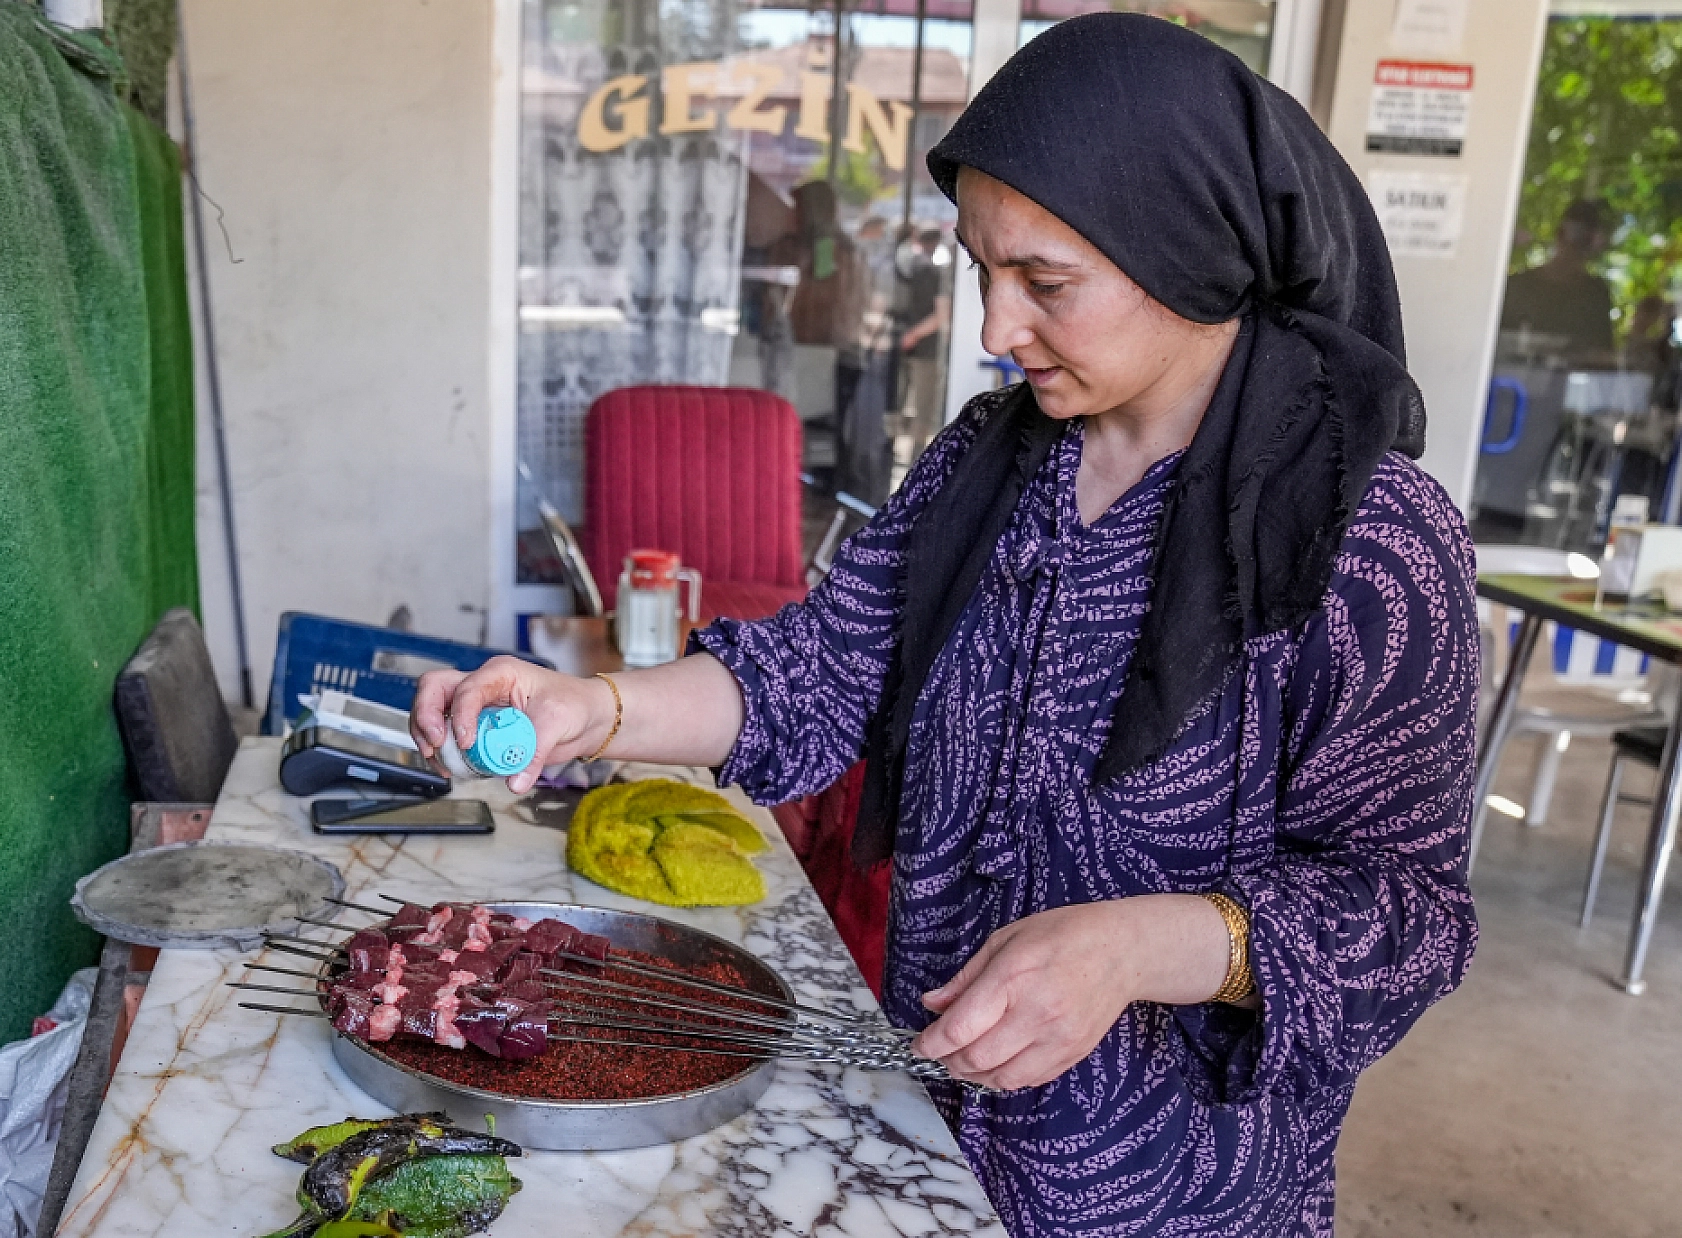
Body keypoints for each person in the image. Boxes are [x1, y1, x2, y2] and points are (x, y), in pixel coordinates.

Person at [414, 16, 1479, 1235]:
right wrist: (595, 706)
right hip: (925, 1135)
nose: (991, 328)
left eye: (1044, 282)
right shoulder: (991, 460)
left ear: (1192, 252)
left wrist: (1136, 946)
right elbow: (817, 676)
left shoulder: (1364, 541)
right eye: (979, 268)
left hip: (1171, 1195)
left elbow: (1404, 919)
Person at [1500, 198, 1616, 365]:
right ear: (1559, 234)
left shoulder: (1595, 293)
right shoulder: (1517, 286)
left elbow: (1603, 355)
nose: (1575, 247)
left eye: (1586, 239)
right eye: (1572, 234)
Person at [892, 225, 952, 454]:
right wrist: (915, 334)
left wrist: (910, 334)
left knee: (901, 403)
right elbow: (941, 314)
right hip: (925, 349)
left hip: (908, 345)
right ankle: (915, 455)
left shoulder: (910, 268)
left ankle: (898, 451)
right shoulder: (934, 272)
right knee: (923, 408)